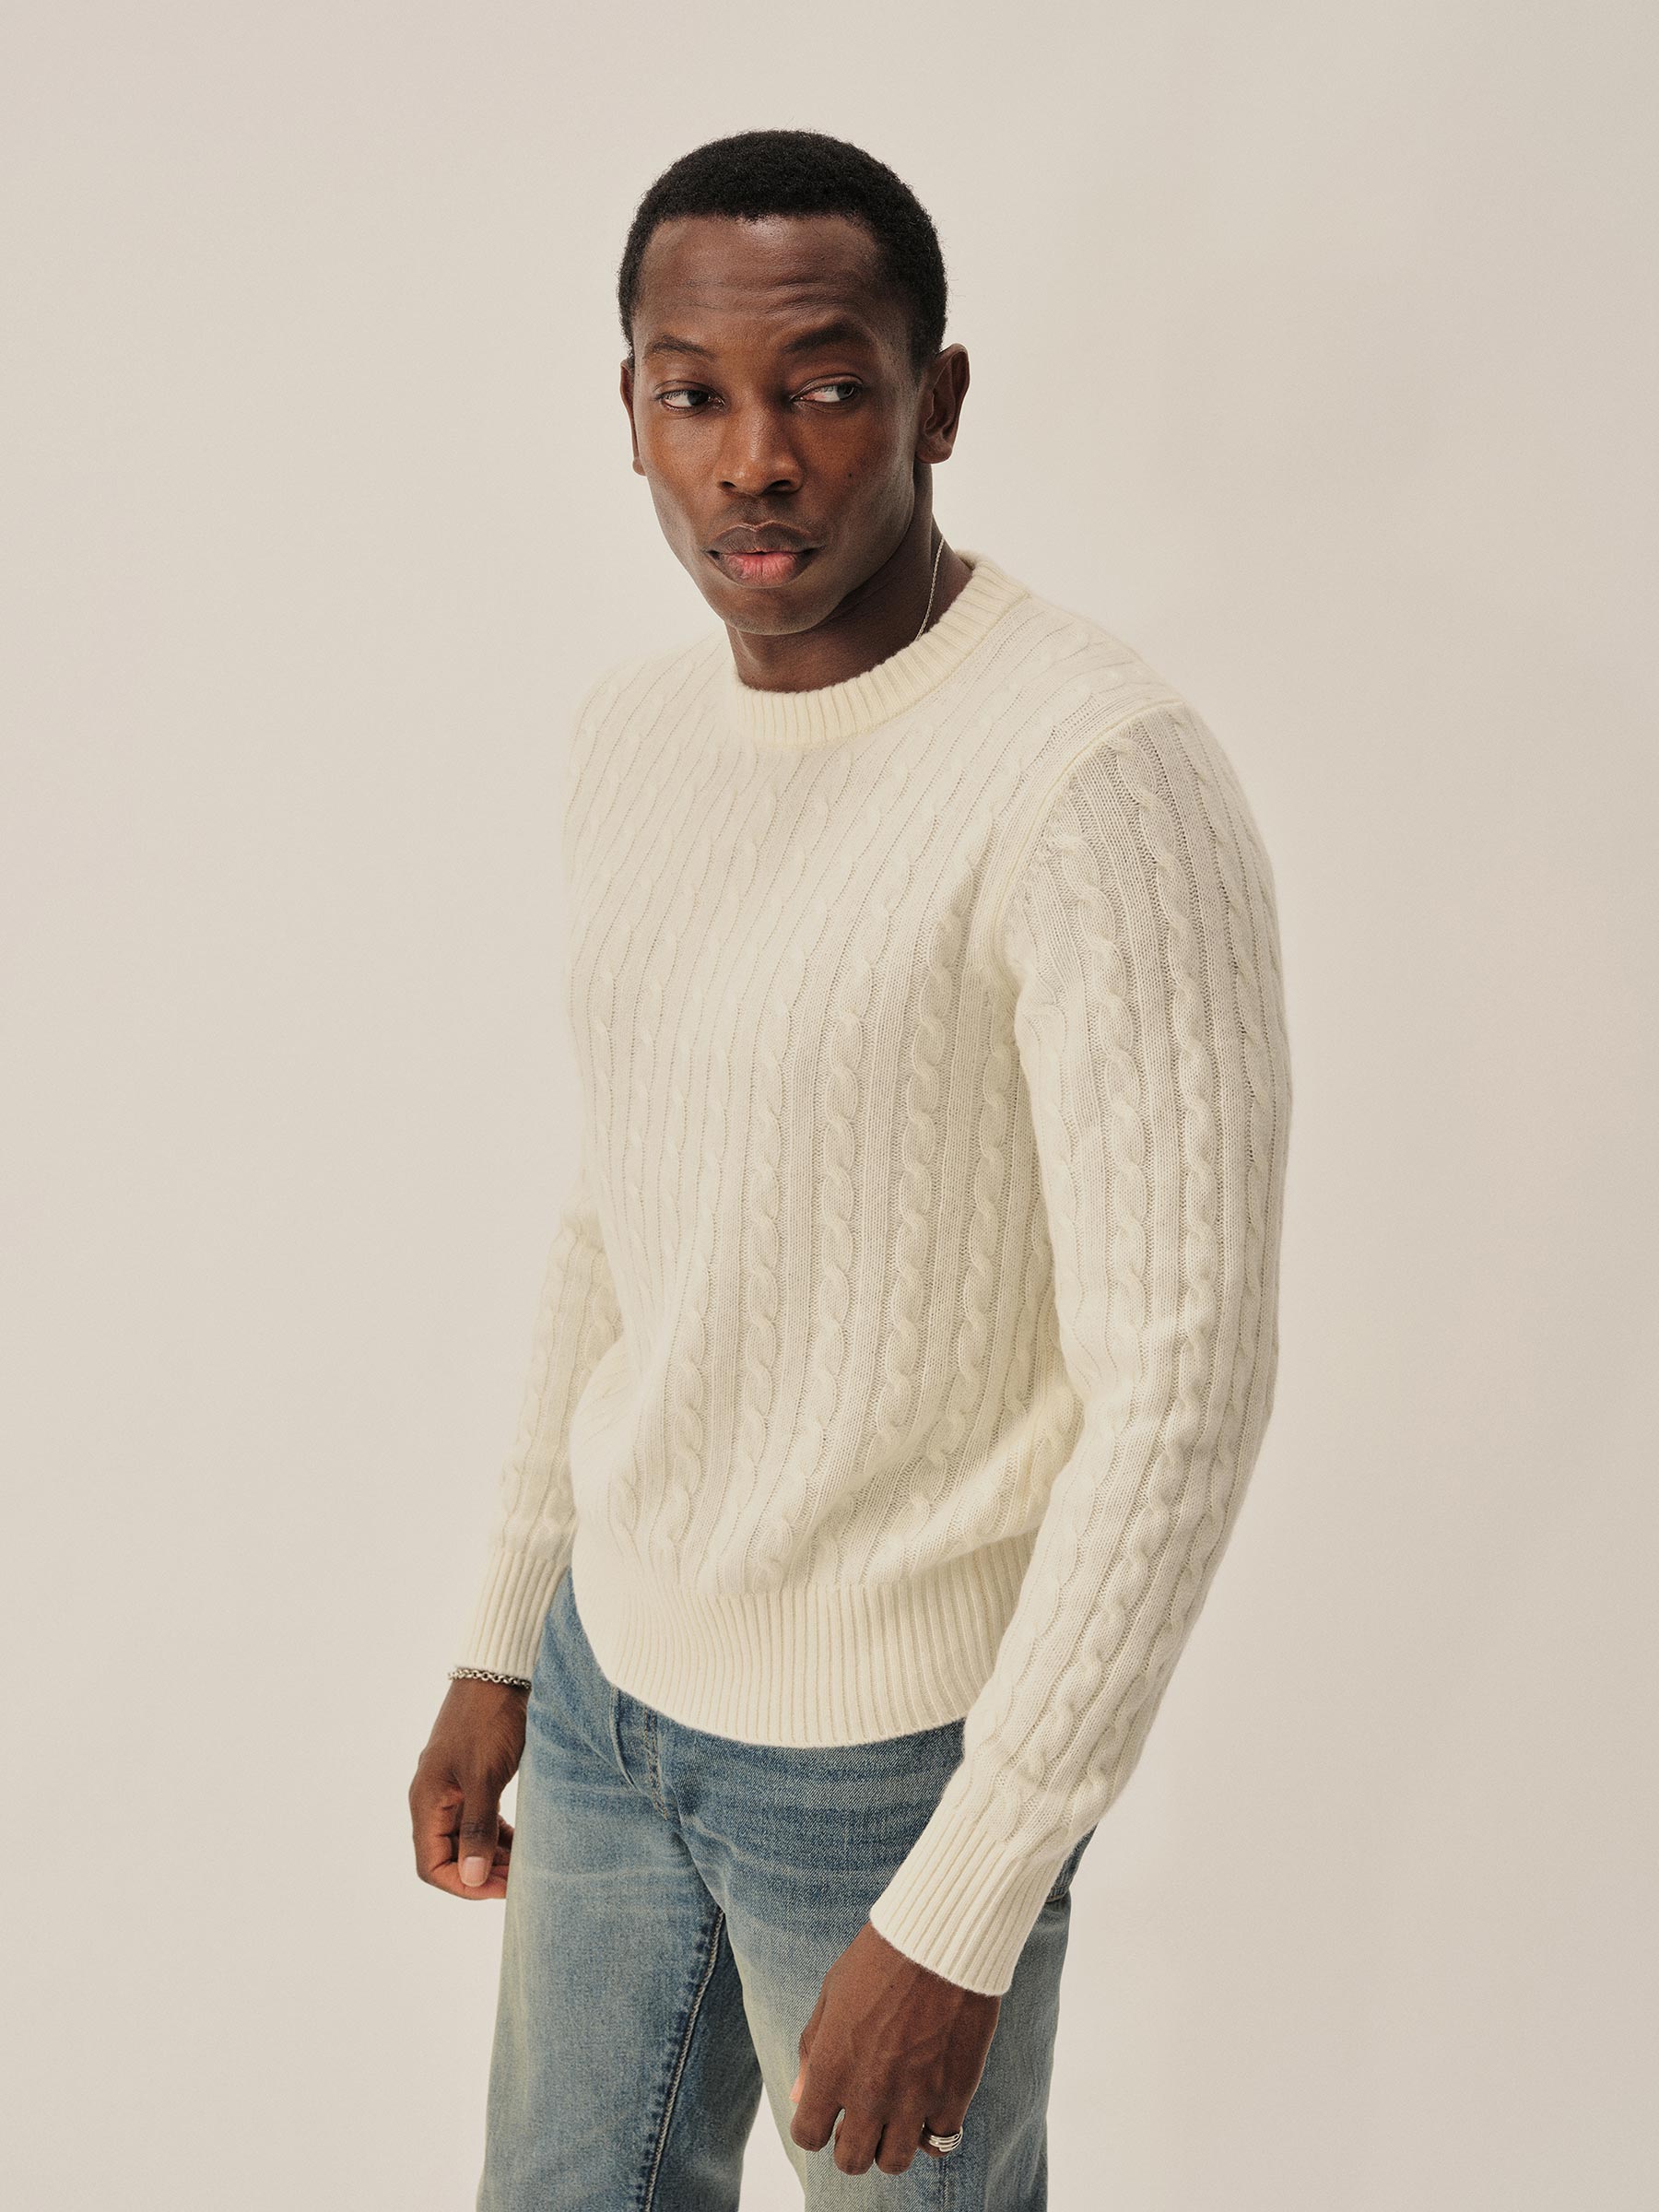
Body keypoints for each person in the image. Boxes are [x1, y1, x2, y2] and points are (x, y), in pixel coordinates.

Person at [408, 125, 1293, 2210]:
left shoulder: (1092, 777)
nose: (757, 462)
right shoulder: (635, 739)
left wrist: (976, 1886)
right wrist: (504, 1629)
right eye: (694, 395)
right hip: (613, 1692)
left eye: (824, 386)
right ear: (630, 414)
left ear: (937, 401)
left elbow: (1183, 1387)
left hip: (890, 1772)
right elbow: (620, 1211)